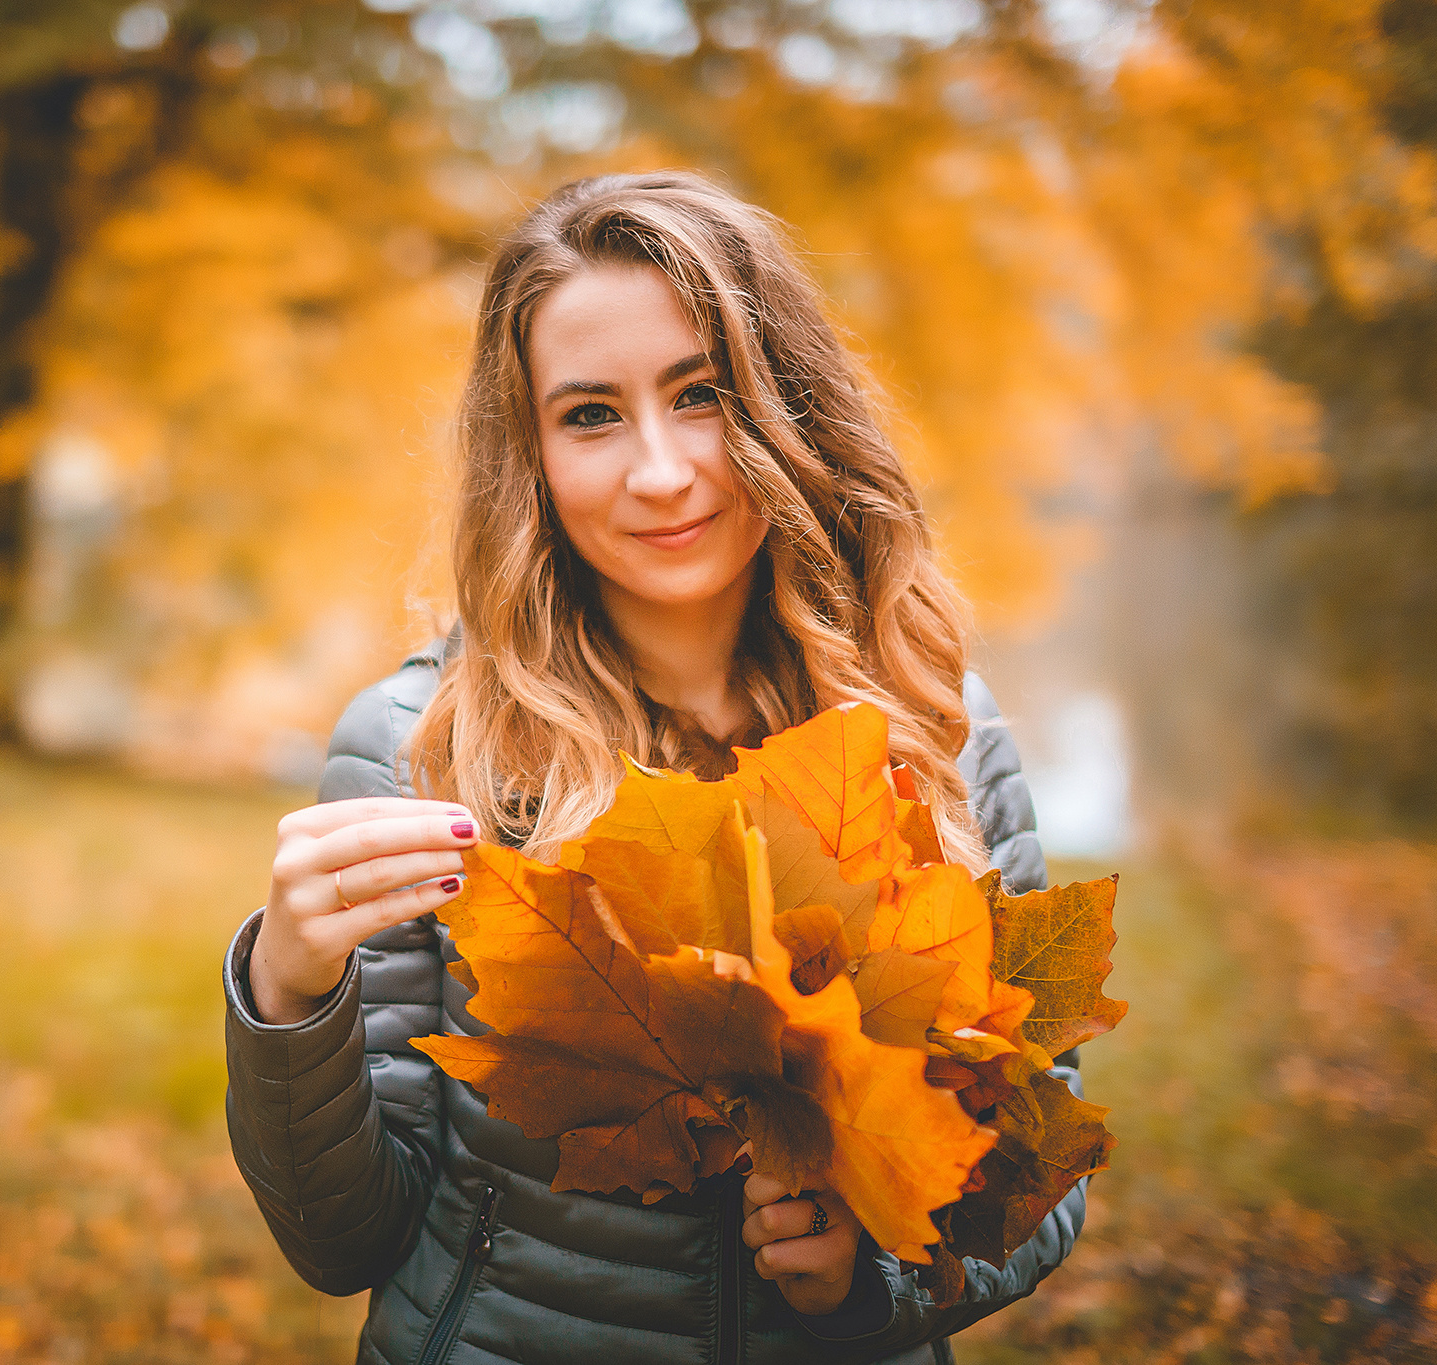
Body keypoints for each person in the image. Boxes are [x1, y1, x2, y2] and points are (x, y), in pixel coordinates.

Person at [223, 171, 1083, 1365]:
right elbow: (345, 1241)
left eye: (701, 394)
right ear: (527, 454)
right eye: (590, 414)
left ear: (789, 406)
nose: (662, 471)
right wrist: (286, 995)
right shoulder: (423, 752)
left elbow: (1038, 1168)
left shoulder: (934, 726)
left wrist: (871, 1278)